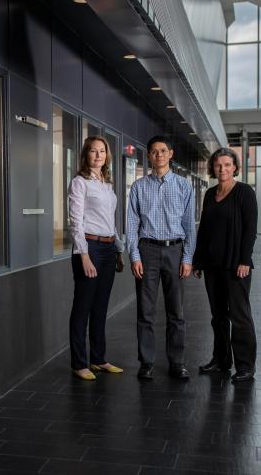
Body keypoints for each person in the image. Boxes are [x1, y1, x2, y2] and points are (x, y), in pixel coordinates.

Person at [127, 136, 196, 380]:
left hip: (175, 251)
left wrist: (188, 258)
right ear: (148, 156)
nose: (159, 155)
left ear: (171, 154)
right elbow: (132, 224)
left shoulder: (184, 186)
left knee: (176, 312)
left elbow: (189, 226)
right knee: (145, 312)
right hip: (147, 251)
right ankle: (146, 363)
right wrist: (134, 255)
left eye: (163, 151)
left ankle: (177, 362)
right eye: (154, 152)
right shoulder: (138, 187)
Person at [193, 148, 257, 383]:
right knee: (217, 316)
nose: (223, 169)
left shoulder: (244, 193)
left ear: (235, 167)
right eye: (218, 165)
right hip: (212, 265)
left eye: (228, 165)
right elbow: (205, 230)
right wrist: (198, 261)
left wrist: (244, 260)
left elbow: (250, 230)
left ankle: (245, 366)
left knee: (240, 316)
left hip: (235, 266)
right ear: (213, 168)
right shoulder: (210, 194)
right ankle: (221, 360)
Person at [68, 136, 124, 381]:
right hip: (89, 247)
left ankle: (99, 359)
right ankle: (79, 363)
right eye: (93, 151)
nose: (98, 155)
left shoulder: (107, 184)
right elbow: (75, 222)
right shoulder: (80, 183)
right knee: (83, 308)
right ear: (86, 155)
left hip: (109, 248)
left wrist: (118, 250)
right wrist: (84, 255)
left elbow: (110, 223)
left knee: (101, 308)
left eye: (102, 151)